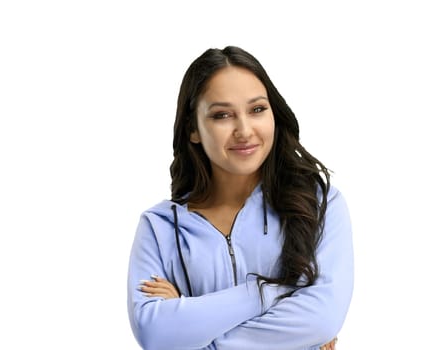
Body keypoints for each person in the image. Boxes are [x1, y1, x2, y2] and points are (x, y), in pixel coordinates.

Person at [127, 45, 354, 350]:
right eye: (222, 115)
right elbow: (154, 334)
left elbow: (322, 319)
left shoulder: (318, 204)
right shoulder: (160, 227)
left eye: (257, 109)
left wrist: (193, 328)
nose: (244, 130)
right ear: (193, 129)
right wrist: (274, 292)